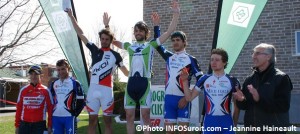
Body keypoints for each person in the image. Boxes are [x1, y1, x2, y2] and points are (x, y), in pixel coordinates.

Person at [105, 1, 180, 133]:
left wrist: (176, 13)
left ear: (146, 32)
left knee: (145, 117)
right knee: (129, 116)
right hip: (131, 84)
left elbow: (169, 32)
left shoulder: (151, 45)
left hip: (144, 84)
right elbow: (114, 40)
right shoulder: (129, 46)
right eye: (136, 31)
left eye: (140, 31)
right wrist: (106, 25)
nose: (137, 33)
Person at [67, 9, 129, 134]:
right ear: (100, 39)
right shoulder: (95, 50)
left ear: (111, 40)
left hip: (107, 91)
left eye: (107, 39)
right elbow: (81, 34)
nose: (104, 41)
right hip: (93, 90)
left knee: (108, 123)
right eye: (102, 39)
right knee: (92, 122)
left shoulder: (116, 55)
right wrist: (71, 17)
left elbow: (127, 73)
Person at [233, 43, 293, 134]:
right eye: (253, 53)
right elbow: (245, 106)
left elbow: (283, 106)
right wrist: (241, 100)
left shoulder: (281, 78)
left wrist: (259, 99)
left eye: (257, 53)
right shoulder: (249, 79)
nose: (253, 56)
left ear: (268, 57)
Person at [180, 48, 240, 134]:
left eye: (217, 60)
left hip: (226, 121)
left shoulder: (233, 80)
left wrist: (234, 124)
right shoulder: (204, 79)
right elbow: (189, 98)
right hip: (210, 122)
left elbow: (237, 106)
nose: (213, 62)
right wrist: (185, 81)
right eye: (211, 60)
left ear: (224, 62)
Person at [49, 59, 85, 134]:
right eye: (58, 70)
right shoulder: (54, 84)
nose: (60, 72)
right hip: (56, 116)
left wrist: (75, 114)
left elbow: (81, 101)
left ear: (68, 69)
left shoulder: (75, 83)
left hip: (69, 117)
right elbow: (50, 100)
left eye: (63, 69)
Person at [15, 65, 53, 134]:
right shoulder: (23, 90)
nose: (33, 76)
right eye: (31, 74)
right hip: (24, 125)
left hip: (39, 125)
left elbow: (50, 110)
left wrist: (50, 126)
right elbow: (19, 109)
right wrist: (17, 126)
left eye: (36, 74)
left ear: (41, 75)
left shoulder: (46, 90)